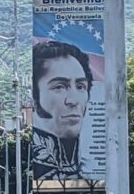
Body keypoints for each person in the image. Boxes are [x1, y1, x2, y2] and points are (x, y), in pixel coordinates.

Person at [31, 41, 93, 180]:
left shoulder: (94, 168)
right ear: (35, 97)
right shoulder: (35, 169)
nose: (73, 100)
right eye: (59, 86)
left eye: (80, 86)